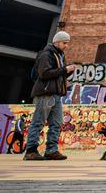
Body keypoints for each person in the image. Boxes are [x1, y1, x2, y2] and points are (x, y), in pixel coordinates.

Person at [23, 30, 75, 161]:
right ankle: (31, 151)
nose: (66, 45)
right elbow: (44, 73)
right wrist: (65, 69)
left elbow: (57, 74)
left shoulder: (60, 55)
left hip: (56, 94)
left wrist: (67, 72)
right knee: (38, 122)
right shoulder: (46, 54)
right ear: (56, 41)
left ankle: (51, 151)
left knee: (56, 123)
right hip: (45, 93)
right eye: (64, 42)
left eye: (67, 43)